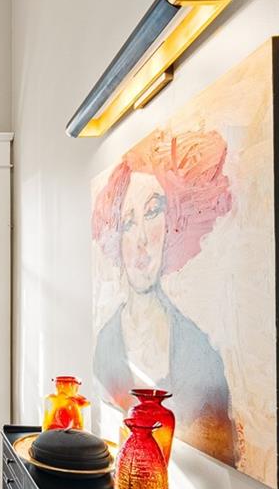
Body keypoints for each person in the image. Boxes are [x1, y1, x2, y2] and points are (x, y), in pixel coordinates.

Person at [92, 129, 238, 466]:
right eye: (127, 223)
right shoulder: (104, 344)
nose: (141, 238)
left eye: (153, 212)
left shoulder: (200, 354)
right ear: (116, 238)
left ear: (174, 222)